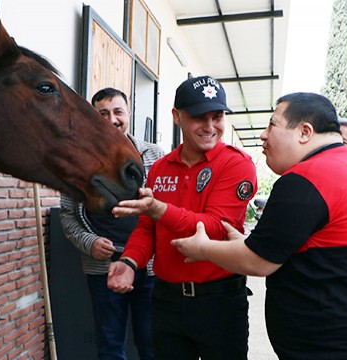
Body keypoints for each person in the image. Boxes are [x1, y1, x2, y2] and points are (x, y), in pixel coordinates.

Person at [171, 92, 347, 359]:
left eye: (272, 125)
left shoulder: (308, 177)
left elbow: (258, 262)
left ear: (304, 132)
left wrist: (203, 249)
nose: (263, 136)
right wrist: (244, 244)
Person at [107, 75, 257, 360]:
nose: (210, 127)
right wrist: (128, 262)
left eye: (218, 116)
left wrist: (158, 209)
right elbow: (147, 228)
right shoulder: (162, 166)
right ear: (177, 116)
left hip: (220, 301)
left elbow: (214, 229)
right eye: (199, 117)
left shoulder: (237, 164)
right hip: (167, 299)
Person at [60, 87, 164, 360]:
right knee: (110, 346)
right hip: (103, 266)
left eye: (118, 112)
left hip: (150, 266)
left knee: (152, 345)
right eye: (102, 113)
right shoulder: (77, 161)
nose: (111, 119)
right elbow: (68, 215)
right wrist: (89, 243)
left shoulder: (153, 155)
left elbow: (168, 208)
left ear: (128, 114)